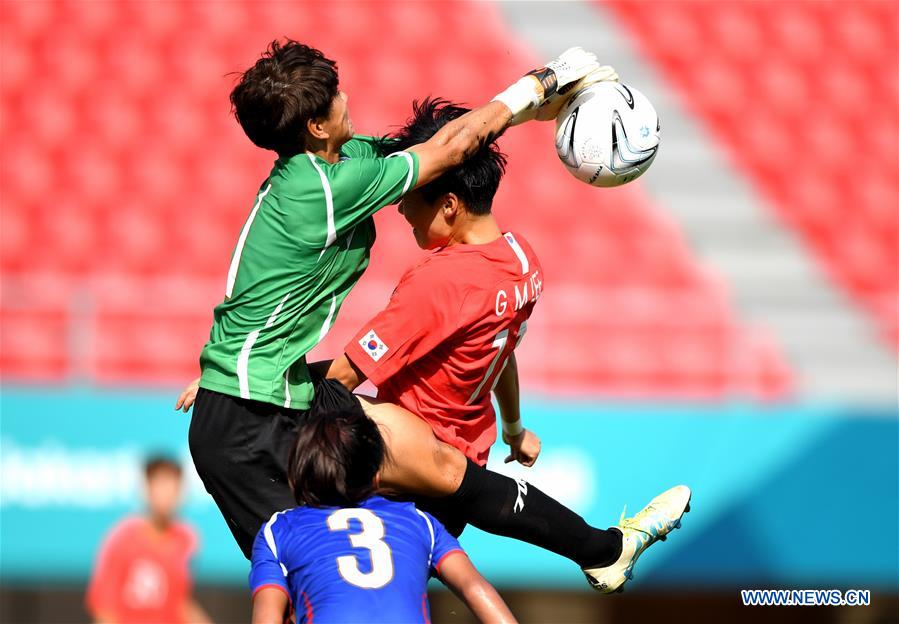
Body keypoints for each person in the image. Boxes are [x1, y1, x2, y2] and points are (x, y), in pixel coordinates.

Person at [183, 37, 601, 562]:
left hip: (274, 393)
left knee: (439, 472)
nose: (346, 99)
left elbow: (444, 145)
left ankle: (601, 550)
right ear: (315, 127)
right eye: (336, 95)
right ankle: (597, 551)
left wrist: (530, 117)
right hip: (245, 429)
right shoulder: (322, 190)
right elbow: (449, 151)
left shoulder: (343, 161)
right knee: (312, 579)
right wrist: (539, 84)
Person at [249, 390, 516, 624]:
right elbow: (474, 588)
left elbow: (267, 618)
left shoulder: (278, 530)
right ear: (377, 472)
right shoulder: (420, 520)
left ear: (299, 472)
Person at [86, 456, 211, 624]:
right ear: (147, 489)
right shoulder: (121, 539)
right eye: (160, 485)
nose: (166, 495)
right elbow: (104, 608)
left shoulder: (186, 539)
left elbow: (180, 602)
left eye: (172, 486)